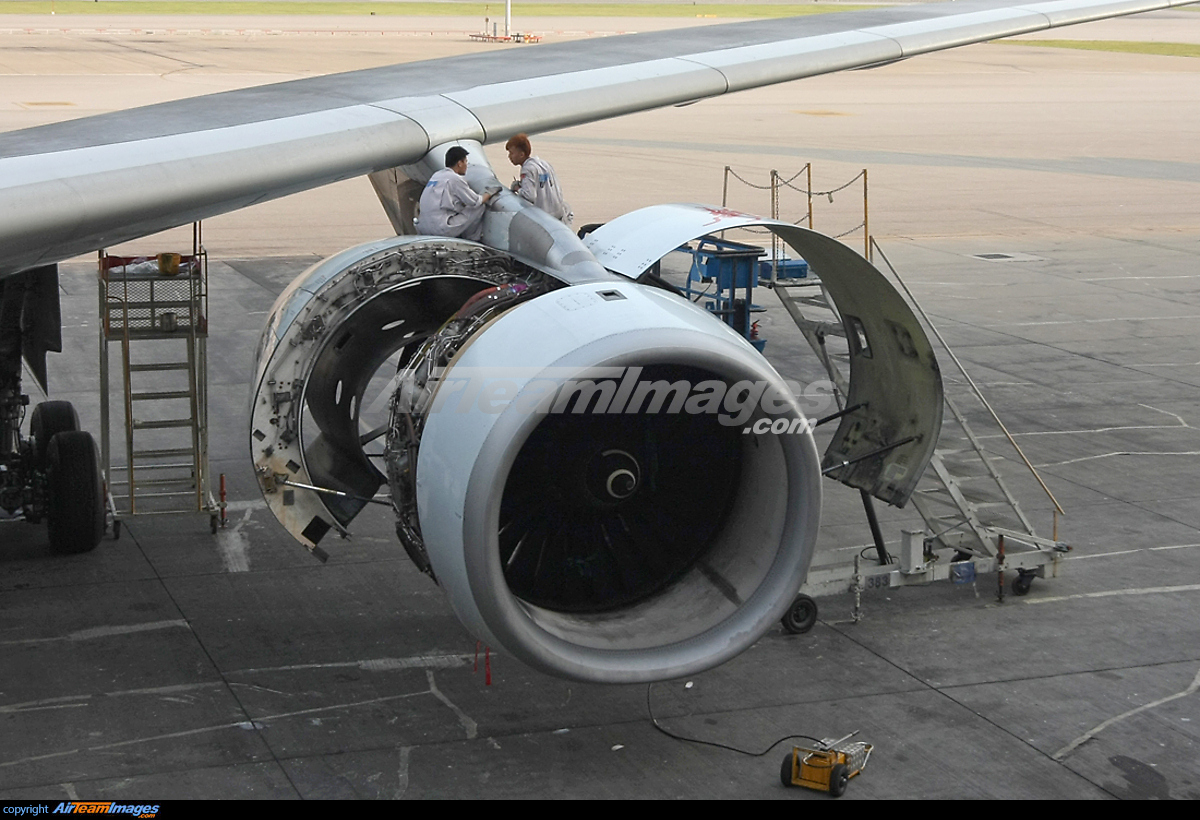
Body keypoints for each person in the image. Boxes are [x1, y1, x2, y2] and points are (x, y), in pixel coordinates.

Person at [415, 146, 497, 241]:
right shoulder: (455, 179)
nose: (467, 165)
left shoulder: (437, 175)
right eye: (465, 161)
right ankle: (472, 239)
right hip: (440, 228)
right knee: (479, 207)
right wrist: (489, 193)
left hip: (423, 227)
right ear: (459, 163)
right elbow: (475, 201)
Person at [505, 134, 572, 226]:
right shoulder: (544, 164)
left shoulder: (527, 169)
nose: (509, 157)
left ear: (521, 154)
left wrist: (517, 188)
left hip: (544, 218)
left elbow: (529, 196)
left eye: (512, 153)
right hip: (559, 215)